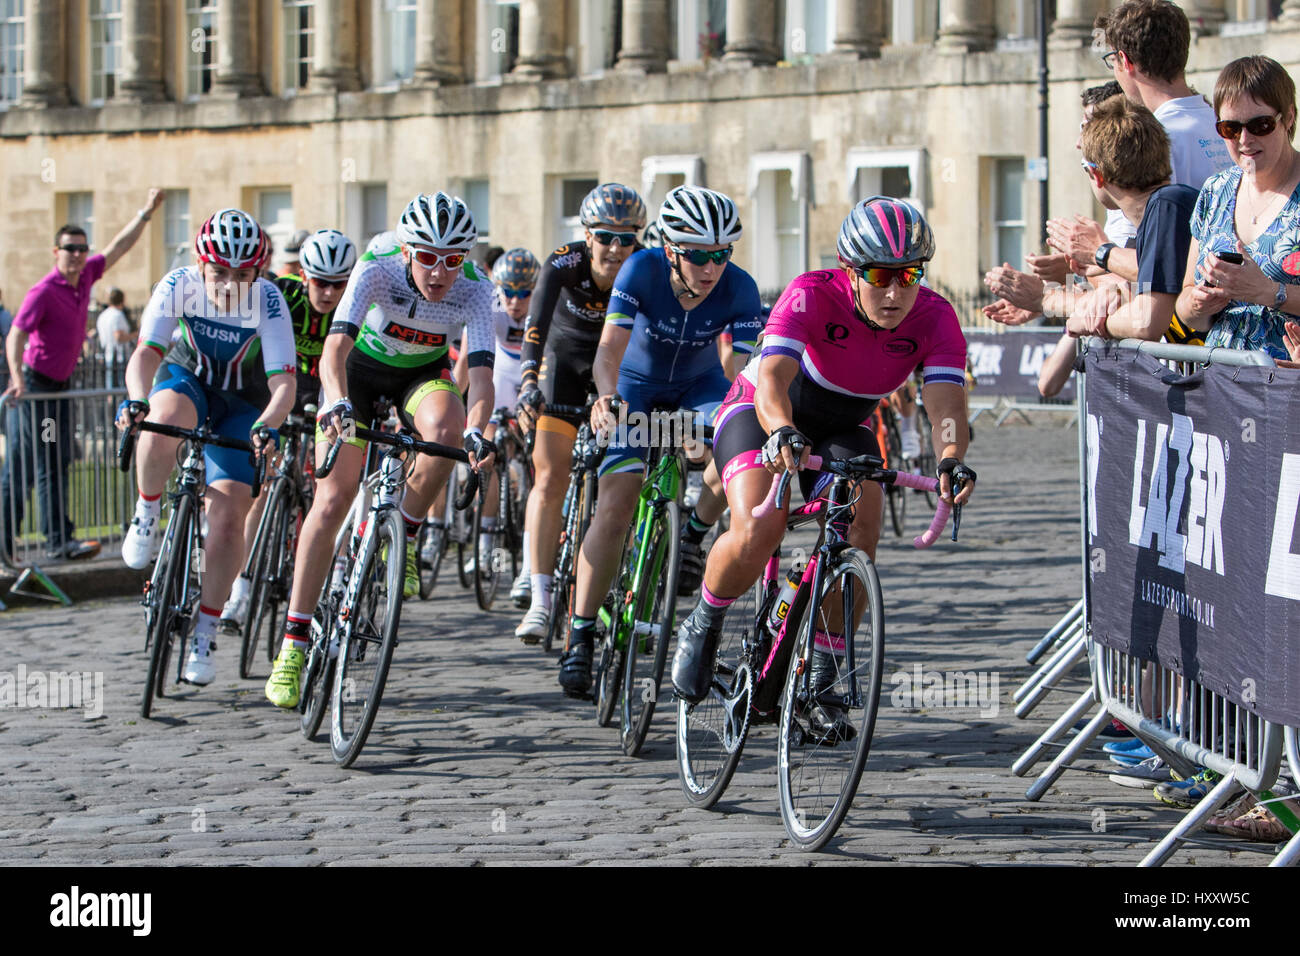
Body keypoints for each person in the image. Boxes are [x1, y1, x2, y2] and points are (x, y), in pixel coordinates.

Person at [670, 197, 976, 728]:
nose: (895, 291)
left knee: (862, 531)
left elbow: (946, 404)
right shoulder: (811, 293)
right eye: (880, 275)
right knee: (759, 526)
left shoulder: (936, 316)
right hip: (763, 412)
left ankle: (828, 663)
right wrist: (781, 430)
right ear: (850, 271)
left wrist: (950, 458)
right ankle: (704, 620)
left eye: (909, 275)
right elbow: (771, 380)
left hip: (841, 426)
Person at [264, 193, 497, 709]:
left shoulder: (479, 290)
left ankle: (404, 534)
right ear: (408, 250)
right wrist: (337, 403)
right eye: (428, 257)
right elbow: (335, 349)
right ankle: (293, 645)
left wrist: (480, 430)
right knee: (333, 497)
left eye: (453, 259)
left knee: (448, 428)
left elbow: (480, 377)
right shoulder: (378, 266)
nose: (440, 273)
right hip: (359, 374)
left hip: (421, 375)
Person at [557, 185, 761, 698]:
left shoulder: (740, 288)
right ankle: (580, 632)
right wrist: (606, 399)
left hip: (701, 386)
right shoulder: (641, 270)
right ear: (671, 249)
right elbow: (609, 351)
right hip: (635, 387)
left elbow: (739, 374)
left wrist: (725, 423)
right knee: (617, 504)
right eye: (697, 255)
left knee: (739, 439)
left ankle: (692, 534)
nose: (710, 267)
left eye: (720, 254)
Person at [117, 208, 296, 686]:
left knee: (229, 514)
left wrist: (268, 424)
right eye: (220, 272)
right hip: (189, 378)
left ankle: (205, 630)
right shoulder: (178, 284)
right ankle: (147, 512)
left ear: (258, 271)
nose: (230, 284)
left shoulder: (270, 301)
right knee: (162, 422)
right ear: (201, 266)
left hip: (244, 402)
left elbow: (283, 383)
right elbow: (146, 353)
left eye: (243, 274)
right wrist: (136, 398)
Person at [512, 183, 647, 643]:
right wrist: (529, 380)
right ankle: (540, 597)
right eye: (605, 236)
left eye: (626, 238)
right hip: (564, 362)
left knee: (625, 483)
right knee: (550, 476)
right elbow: (536, 326)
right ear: (587, 236)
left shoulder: (646, 268)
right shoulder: (563, 263)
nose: (615, 248)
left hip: (616, 367)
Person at [1, 188, 165, 564]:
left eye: (81, 248)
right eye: (69, 248)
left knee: (37, 462)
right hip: (38, 392)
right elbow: (17, 335)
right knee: (41, 462)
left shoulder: (86, 276)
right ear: (55, 252)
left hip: (58, 389)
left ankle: (40, 540)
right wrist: (18, 379)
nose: (77, 254)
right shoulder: (43, 291)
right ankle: (53, 541)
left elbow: (118, 247)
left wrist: (145, 212)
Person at [219, 228, 358, 631]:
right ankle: (240, 591)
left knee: (328, 488)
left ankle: (333, 575)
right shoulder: (283, 295)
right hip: (279, 390)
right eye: (319, 282)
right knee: (261, 490)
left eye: (338, 284)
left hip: (325, 398)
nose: (328, 292)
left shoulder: (355, 309)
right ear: (303, 275)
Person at [987, 97, 1200, 344]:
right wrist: (1053, 299)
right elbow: (1146, 294)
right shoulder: (1165, 208)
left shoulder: (1167, 205)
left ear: (1096, 175)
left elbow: (1146, 321)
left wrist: (1076, 315)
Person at [1046, 0, 1231, 283]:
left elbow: (1134, 272)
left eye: (1112, 61)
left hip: (1171, 317)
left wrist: (1069, 278)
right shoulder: (1228, 127)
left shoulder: (1143, 137)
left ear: (1126, 61)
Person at [1175, 55, 1300, 360]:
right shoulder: (1215, 191)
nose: (1245, 139)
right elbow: (1185, 303)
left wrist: (1268, 292)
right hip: (1220, 386)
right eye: (1230, 128)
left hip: (1286, 389)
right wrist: (1198, 303)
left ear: (1289, 118)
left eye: (1260, 125)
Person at [450, 247, 540, 586]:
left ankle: (530, 546)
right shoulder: (489, 309)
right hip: (500, 378)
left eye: (524, 293)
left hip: (531, 380)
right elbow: (464, 368)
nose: (515, 301)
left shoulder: (542, 309)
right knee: (488, 465)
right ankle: (488, 548)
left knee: (536, 467)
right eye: (509, 293)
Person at [96, 287, 132, 390]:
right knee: (119, 388)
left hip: (107, 354)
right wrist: (135, 335)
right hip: (119, 356)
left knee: (110, 387)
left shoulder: (103, 315)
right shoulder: (117, 315)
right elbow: (119, 337)